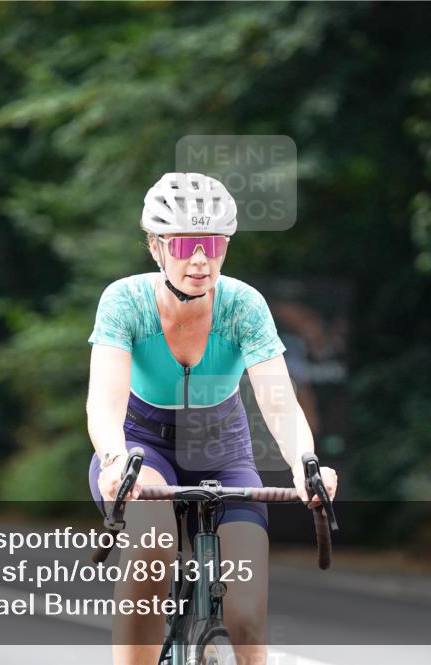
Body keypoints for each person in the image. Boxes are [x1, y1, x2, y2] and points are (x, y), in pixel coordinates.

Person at [86, 172, 338, 665]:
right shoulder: (125, 301)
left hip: (222, 452)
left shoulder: (243, 306)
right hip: (141, 450)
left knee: (246, 616)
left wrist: (306, 465)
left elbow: (278, 402)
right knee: (154, 550)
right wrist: (115, 460)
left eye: (213, 243)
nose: (200, 259)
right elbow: (104, 400)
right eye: (184, 245)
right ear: (156, 248)